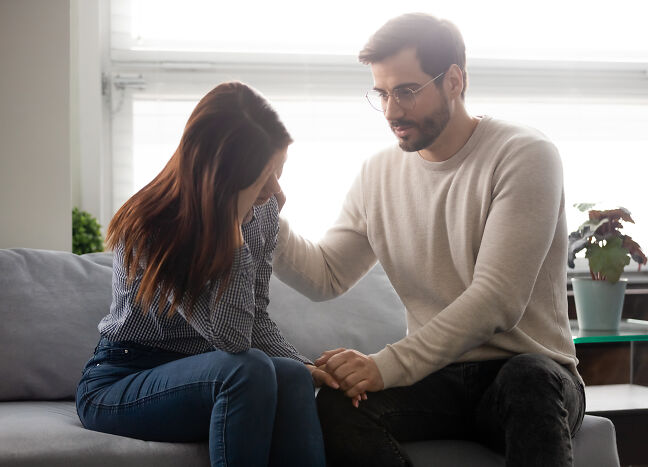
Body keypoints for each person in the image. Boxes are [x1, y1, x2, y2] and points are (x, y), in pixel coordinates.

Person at [272, 13, 585, 467]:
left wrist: (382, 366)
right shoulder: (377, 174)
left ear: (454, 80)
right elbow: (327, 275)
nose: (391, 111)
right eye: (381, 93)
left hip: (531, 374)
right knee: (335, 409)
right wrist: (265, 212)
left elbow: (497, 299)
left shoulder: (524, 154)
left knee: (527, 378)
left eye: (406, 91)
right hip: (439, 379)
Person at [75, 82, 332, 467]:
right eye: (264, 177)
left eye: (279, 173)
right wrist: (234, 237)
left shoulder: (263, 213)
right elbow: (231, 341)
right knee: (247, 370)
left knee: (293, 377)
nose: (277, 192)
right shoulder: (151, 225)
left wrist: (308, 366)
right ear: (222, 175)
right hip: (121, 380)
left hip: (209, 377)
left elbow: (255, 321)